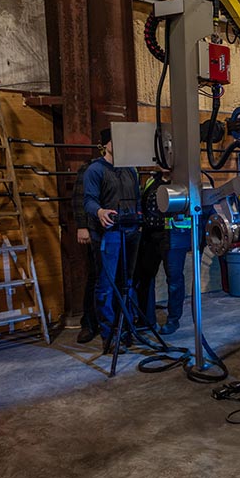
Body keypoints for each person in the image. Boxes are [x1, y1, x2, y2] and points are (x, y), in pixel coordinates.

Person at [83, 128, 142, 353]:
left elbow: (136, 198)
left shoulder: (131, 170)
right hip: (109, 234)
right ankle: (109, 336)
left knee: (126, 284)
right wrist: (99, 212)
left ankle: (126, 329)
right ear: (106, 144)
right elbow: (88, 201)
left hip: (130, 232)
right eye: (116, 140)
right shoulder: (95, 170)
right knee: (106, 286)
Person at [133, 169, 191, 336]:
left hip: (172, 235)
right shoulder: (152, 180)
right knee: (145, 277)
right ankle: (147, 319)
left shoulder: (182, 180)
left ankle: (173, 320)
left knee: (174, 279)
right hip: (150, 235)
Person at [72, 159, 99, 344]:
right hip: (96, 230)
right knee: (95, 277)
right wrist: (82, 225)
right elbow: (80, 197)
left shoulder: (127, 167)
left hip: (117, 231)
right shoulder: (91, 168)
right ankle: (88, 323)